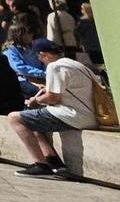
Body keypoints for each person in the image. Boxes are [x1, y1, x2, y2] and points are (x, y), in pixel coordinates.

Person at [9, 39, 99, 178]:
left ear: (43, 54)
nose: (39, 60)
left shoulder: (54, 67)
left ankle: (40, 164)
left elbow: (53, 98)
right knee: (31, 118)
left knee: (15, 118)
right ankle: (53, 161)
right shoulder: (78, 65)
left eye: (38, 57)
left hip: (72, 115)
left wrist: (36, 100)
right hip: (90, 115)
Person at [3, 22, 45, 98]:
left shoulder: (31, 46)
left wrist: (46, 72)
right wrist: (41, 73)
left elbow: (42, 61)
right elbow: (20, 68)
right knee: (42, 94)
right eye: (28, 33)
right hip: (24, 79)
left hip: (41, 76)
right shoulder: (10, 50)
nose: (31, 34)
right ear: (19, 36)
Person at [77, 2, 103, 66]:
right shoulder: (94, 19)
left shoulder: (82, 21)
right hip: (98, 44)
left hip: (89, 45)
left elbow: (78, 33)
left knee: (95, 63)